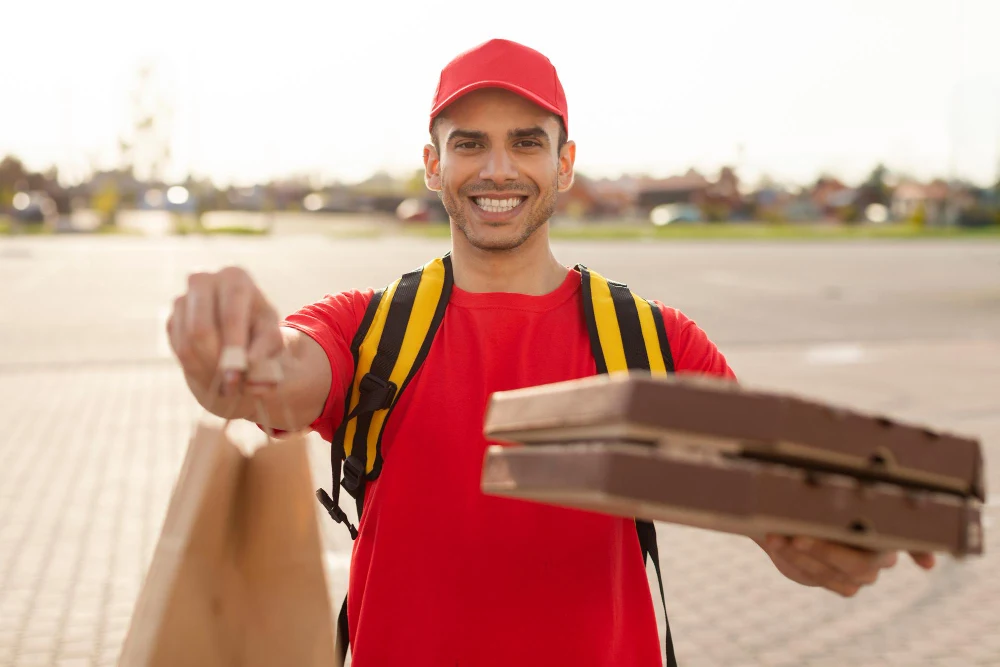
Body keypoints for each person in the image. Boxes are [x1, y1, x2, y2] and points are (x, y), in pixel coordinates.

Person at [166, 38, 935, 667]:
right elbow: (281, 376)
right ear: (434, 166)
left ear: (564, 165)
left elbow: (767, 489)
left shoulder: (650, 339)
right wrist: (235, 353)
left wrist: (824, 532)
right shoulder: (372, 328)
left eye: (526, 143)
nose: (497, 169)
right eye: (470, 144)